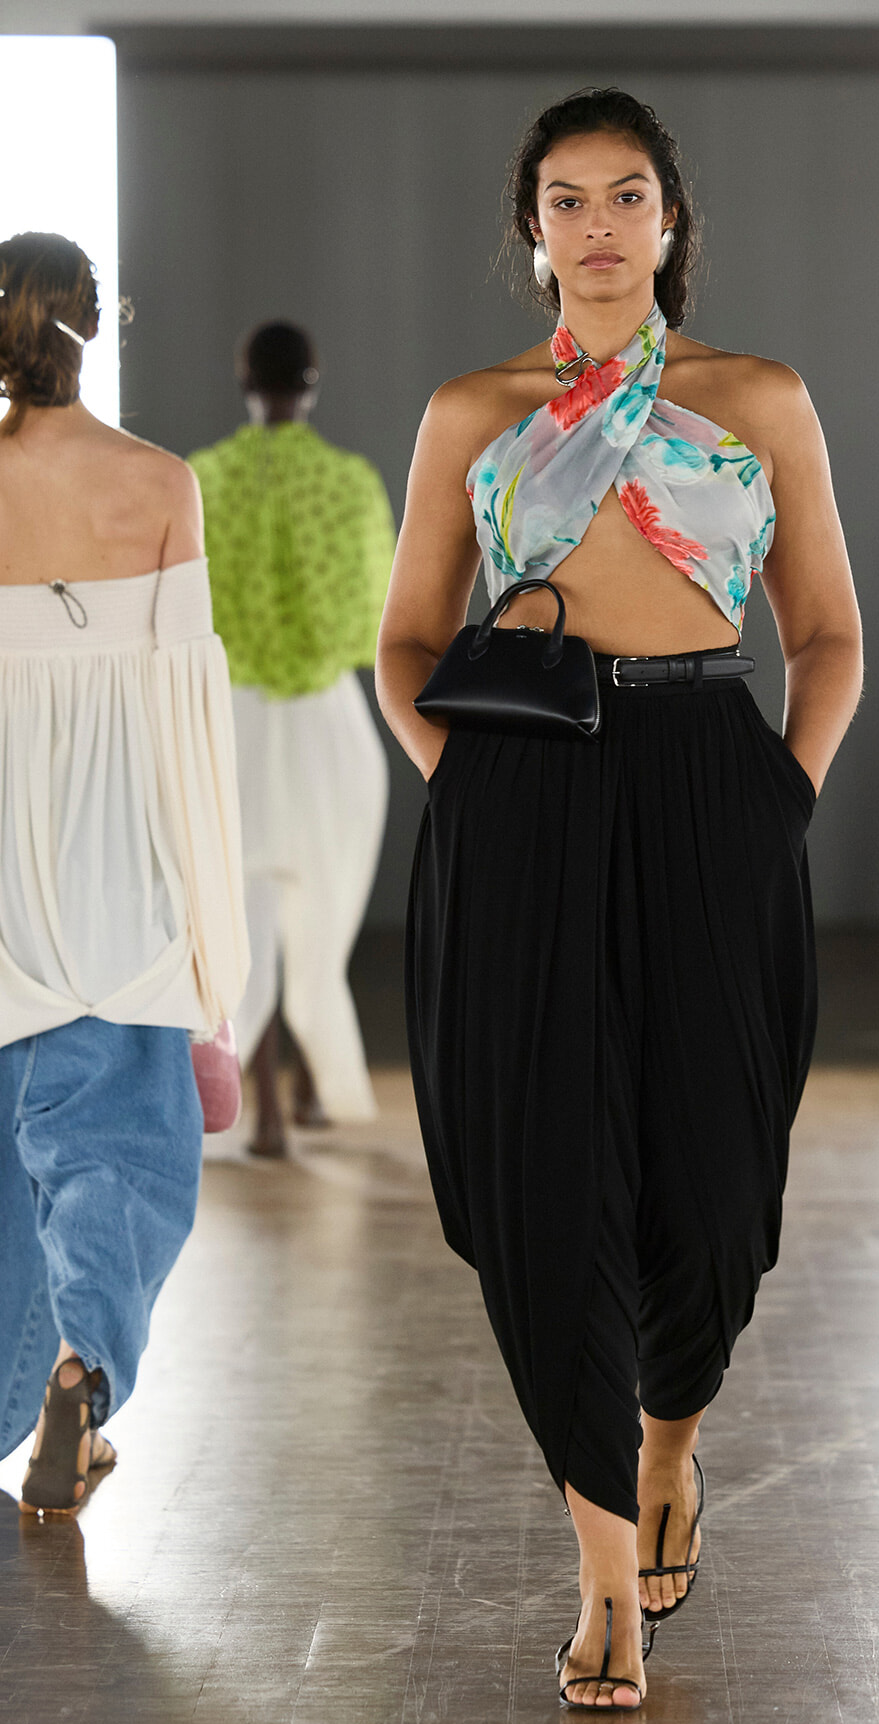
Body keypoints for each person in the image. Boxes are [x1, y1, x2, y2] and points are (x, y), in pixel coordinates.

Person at [376, 89, 862, 1710]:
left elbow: (831, 635)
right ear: (533, 231)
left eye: (626, 196)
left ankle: (672, 1439)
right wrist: (475, 798)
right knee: (548, 1179)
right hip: (522, 796)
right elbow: (404, 645)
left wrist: (777, 795)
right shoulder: (471, 412)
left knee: (714, 1178)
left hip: (707, 780)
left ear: (671, 223)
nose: (595, 227)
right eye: (565, 201)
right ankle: (603, 1581)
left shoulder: (760, 398)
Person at [0, 231, 249, 1512]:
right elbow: (183, 716)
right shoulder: (158, 483)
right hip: (111, 851)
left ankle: (17, 1394)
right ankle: (84, 1367)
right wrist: (212, 935)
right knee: (120, 1144)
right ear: (101, 322)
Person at [189, 323, 394, 1157]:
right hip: (322, 716)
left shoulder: (204, 480)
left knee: (243, 910)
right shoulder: (348, 484)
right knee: (320, 904)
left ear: (244, 378)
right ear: (310, 382)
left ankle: (264, 1108)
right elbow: (373, 613)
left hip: (233, 713)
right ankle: (308, 1089)